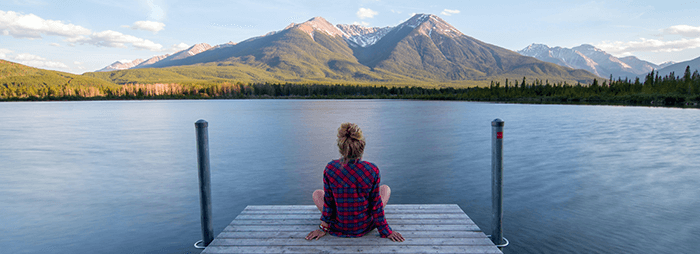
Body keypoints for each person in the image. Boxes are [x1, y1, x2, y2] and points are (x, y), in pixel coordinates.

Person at [305, 123, 404, 242]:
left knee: (317, 193)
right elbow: (376, 205)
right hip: (364, 226)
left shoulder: (330, 168)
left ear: (341, 146)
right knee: (385, 189)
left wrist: (323, 228)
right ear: (362, 146)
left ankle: (333, 222)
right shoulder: (372, 170)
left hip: (338, 225)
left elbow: (329, 203)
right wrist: (386, 231)